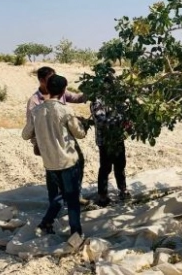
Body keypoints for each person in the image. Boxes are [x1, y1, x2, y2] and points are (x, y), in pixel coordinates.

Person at [22, 74, 88, 242]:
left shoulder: (36, 111)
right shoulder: (65, 110)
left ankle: (46, 223)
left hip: (49, 162)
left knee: (61, 195)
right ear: (64, 90)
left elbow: (25, 134)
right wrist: (83, 124)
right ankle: (76, 232)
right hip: (67, 160)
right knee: (71, 198)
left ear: (48, 89)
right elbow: (79, 134)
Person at [26, 66, 89, 203]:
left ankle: (74, 195)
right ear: (42, 80)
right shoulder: (34, 101)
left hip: (65, 138)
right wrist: (37, 143)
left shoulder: (59, 91)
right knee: (53, 171)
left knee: (78, 162)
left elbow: (77, 98)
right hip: (47, 140)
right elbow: (31, 126)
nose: (53, 81)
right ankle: (56, 201)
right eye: (50, 79)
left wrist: (91, 92)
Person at [90, 73, 131, 207]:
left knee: (120, 166)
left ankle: (123, 190)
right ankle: (102, 195)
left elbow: (126, 115)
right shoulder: (97, 101)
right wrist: (121, 120)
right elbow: (100, 120)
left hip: (118, 139)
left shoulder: (117, 100)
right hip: (106, 141)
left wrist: (128, 122)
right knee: (105, 168)